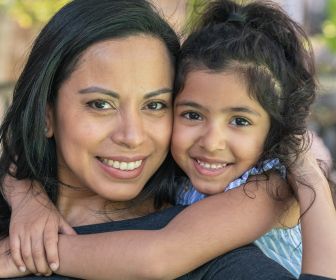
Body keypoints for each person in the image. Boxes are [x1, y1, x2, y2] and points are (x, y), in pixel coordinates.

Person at [1, 0, 336, 279]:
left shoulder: (262, 191)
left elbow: (157, 257)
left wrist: (34, 252)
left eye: (155, 105)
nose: (131, 137)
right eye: (100, 104)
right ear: (47, 114)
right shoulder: (191, 178)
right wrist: (26, 196)